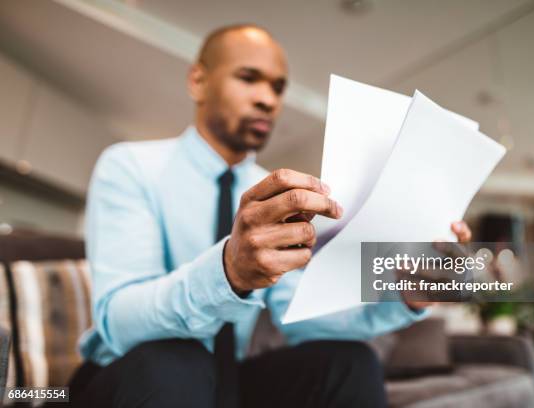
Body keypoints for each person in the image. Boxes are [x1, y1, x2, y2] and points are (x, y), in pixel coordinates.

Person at [69, 24, 472, 408]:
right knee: (176, 363)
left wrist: (403, 297)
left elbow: (295, 315)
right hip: (129, 376)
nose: (268, 99)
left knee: (350, 364)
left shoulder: (277, 194)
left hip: (227, 381)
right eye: (249, 78)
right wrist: (228, 272)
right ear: (198, 81)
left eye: (278, 87)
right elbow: (118, 322)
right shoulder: (130, 165)